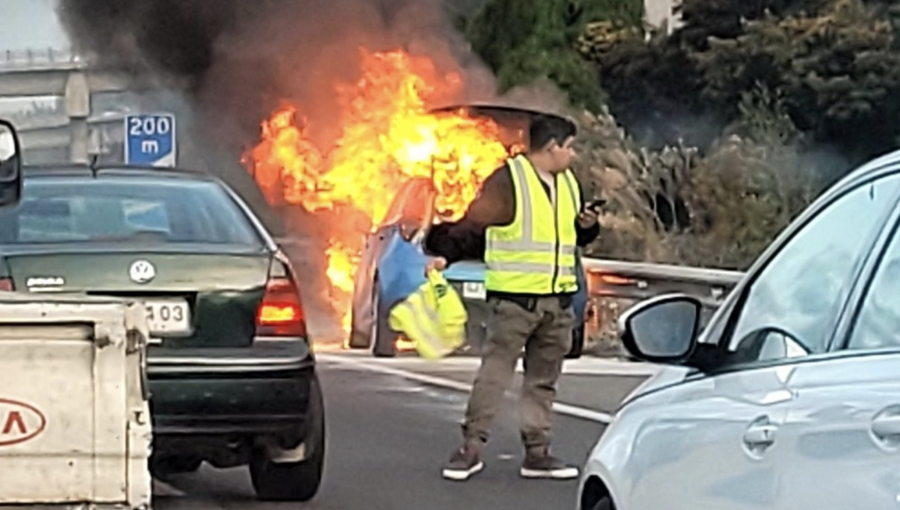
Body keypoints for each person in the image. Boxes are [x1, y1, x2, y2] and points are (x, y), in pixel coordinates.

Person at [424, 114, 601, 481]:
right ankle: (470, 448)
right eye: (570, 147)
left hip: (557, 302)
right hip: (515, 303)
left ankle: (537, 453)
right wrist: (446, 255)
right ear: (552, 147)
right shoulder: (507, 181)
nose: (573, 154)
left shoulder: (570, 184)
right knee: (495, 375)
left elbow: (576, 239)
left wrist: (588, 227)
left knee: (543, 381)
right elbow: (475, 225)